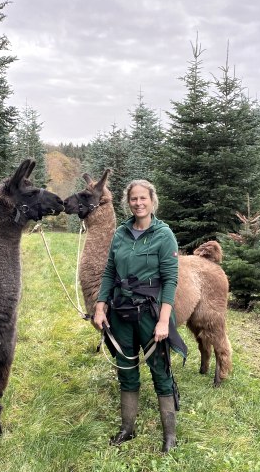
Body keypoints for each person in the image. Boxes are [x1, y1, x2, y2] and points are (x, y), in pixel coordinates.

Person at [93, 179, 187, 453]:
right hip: (121, 311)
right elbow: (110, 271)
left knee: (160, 369)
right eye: (133, 199)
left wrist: (163, 321)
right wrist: (100, 305)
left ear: (152, 200)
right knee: (126, 368)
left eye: (143, 198)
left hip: (150, 312)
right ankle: (127, 428)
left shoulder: (163, 234)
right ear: (128, 201)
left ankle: (169, 435)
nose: (138, 203)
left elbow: (170, 280)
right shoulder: (121, 233)